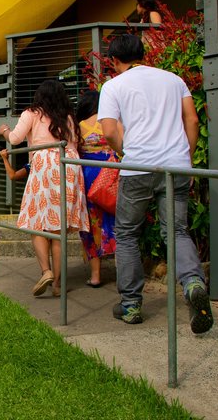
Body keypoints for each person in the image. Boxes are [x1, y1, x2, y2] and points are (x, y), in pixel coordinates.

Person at [97, 32, 213, 334]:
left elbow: (109, 131)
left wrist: (127, 152)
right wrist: (183, 155)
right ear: (142, 53)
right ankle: (192, 283)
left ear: (113, 60)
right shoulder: (173, 80)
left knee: (126, 234)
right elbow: (193, 121)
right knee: (176, 230)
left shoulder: (112, 86)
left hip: (137, 168)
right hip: (175, 167)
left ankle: (132, 305)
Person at [0, 79, 90, 298]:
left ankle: (46, 271)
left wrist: (4, 132)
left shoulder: (31, 113)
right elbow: (75, 143)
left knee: (35, 222)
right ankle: (57, 285)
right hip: (69, 166)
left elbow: (16, 139)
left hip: (44, 165)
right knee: (58, 231)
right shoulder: (67, 116)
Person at [76, 90, 118, 288]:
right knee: (118, 220)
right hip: (110, 175)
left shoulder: (78, 128)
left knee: (91, 225)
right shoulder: (109, 122)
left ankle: (95, 276)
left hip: (88, 177)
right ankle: (124, 272)